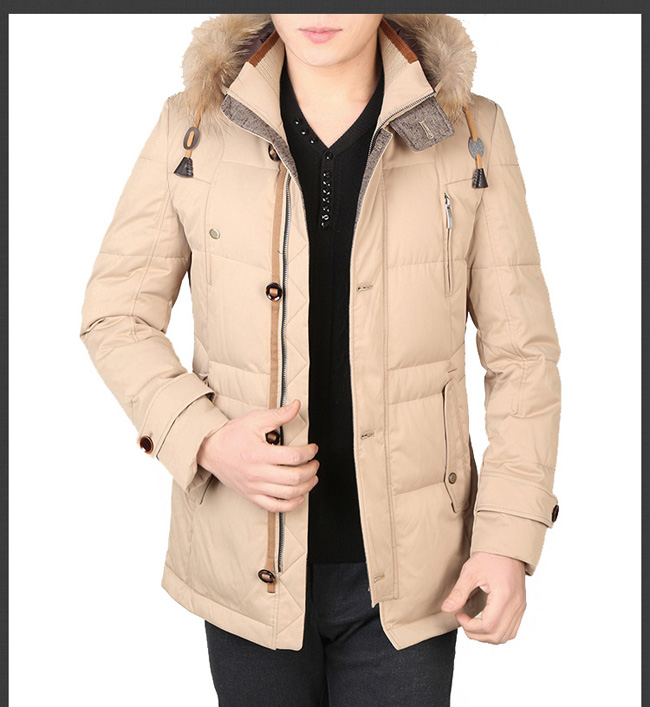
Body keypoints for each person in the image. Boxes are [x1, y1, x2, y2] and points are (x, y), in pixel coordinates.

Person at [79, 13, 562, 706]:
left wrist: (508, 535)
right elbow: (116, 315)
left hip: (416, 580)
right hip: (245, 564)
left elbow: (523, 355)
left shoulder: (471, 131)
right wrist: (205, 439)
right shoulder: (193, 127)